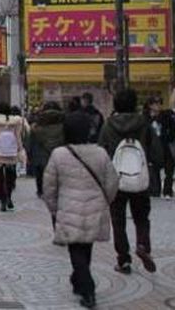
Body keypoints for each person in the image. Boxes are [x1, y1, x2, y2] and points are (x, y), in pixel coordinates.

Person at [42, 109, 118, 309]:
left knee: (75, 249)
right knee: (86, 247)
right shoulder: (100, 153)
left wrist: (54, 208)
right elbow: (112, 182)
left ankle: (88, 289)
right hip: (94, 207)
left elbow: (49, 186)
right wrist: (104, 201)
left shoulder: (59, 154)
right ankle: (79, 281)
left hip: (68, 208)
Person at [98, 88, 163, 274]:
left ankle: (123, 260)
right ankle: (143, 245)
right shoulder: (144, 123)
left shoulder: (109, 125)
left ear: (116, 104)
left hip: (116, 179)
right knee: (142, 217)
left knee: (118, 221)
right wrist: (155, 166)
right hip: (140, 178)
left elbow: (101, 151)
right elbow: (156, 151)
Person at [29, 101, 66, 197]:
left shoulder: (38, 125)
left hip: (41, 154)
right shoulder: (63, 123)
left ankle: (41, 190)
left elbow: (31, 142)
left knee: (40, 172)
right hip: (60, 153)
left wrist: (29, 154)